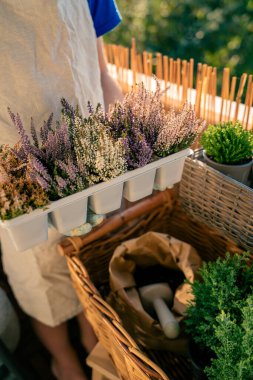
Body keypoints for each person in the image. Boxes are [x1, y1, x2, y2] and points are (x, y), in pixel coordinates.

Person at [0, 1, 123, 379]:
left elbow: (101, 71)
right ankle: (64, 359)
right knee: (38, 271)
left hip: (88, 152)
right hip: (13, 164)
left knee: (90, 257)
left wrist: (124, 131)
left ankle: (93, 342)